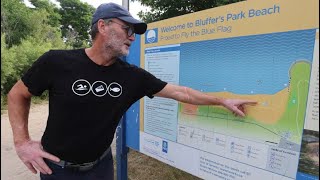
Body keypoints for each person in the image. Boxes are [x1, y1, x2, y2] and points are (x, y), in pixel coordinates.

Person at [7, 2, 257, 180]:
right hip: (57, 170)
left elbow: (183, 94)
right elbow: (17, 94)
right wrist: (22, 142)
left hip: (101, 168)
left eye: (134, 33)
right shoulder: (56, 62)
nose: (132, 37)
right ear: (103, 26)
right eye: (127, 29)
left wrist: (222, 100)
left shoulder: (132, 77)